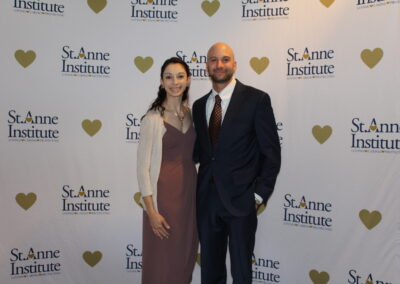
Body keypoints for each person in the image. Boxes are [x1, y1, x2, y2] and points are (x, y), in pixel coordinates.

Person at [192, 43, 281, 284]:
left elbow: (271, 153)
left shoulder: (256, 100)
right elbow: (203, 153)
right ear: (206, 65)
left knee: (242, 272)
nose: (219, 65)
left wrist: (258, 196)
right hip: (207, 202)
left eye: (225, 59)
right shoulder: (199, 106)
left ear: (234, 64)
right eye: (213, 60)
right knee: (210, 270)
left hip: (242, 202)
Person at [137, 57, 198, 284]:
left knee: (184, 259)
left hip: (189, 198)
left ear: (188, 80)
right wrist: (151, 212)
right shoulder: (153, 119)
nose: (175, 82)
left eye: (180, 76)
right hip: (163, 201)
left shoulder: (194, 114)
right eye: (169, 77)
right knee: (161, 261)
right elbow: (142, 169)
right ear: (161, 82)